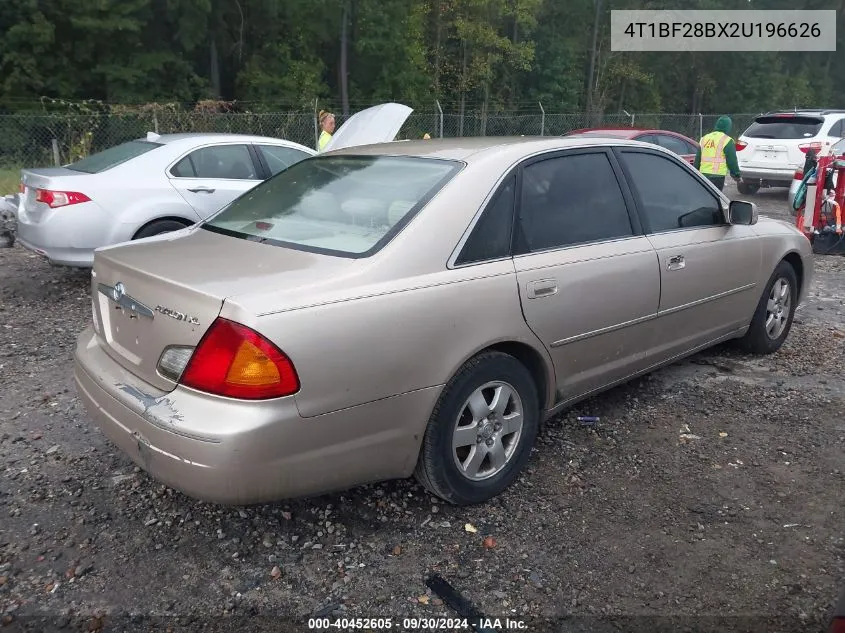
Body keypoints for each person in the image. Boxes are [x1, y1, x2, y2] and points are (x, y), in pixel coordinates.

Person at [694, 115, 742, 191]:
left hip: (702, 175)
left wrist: (694, 173)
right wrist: (736, 175)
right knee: (715, 200)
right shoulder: (727, 140)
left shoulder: (704, 138)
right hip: (717, 177)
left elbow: (697, 158)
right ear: (728, 127)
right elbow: (732, 161)